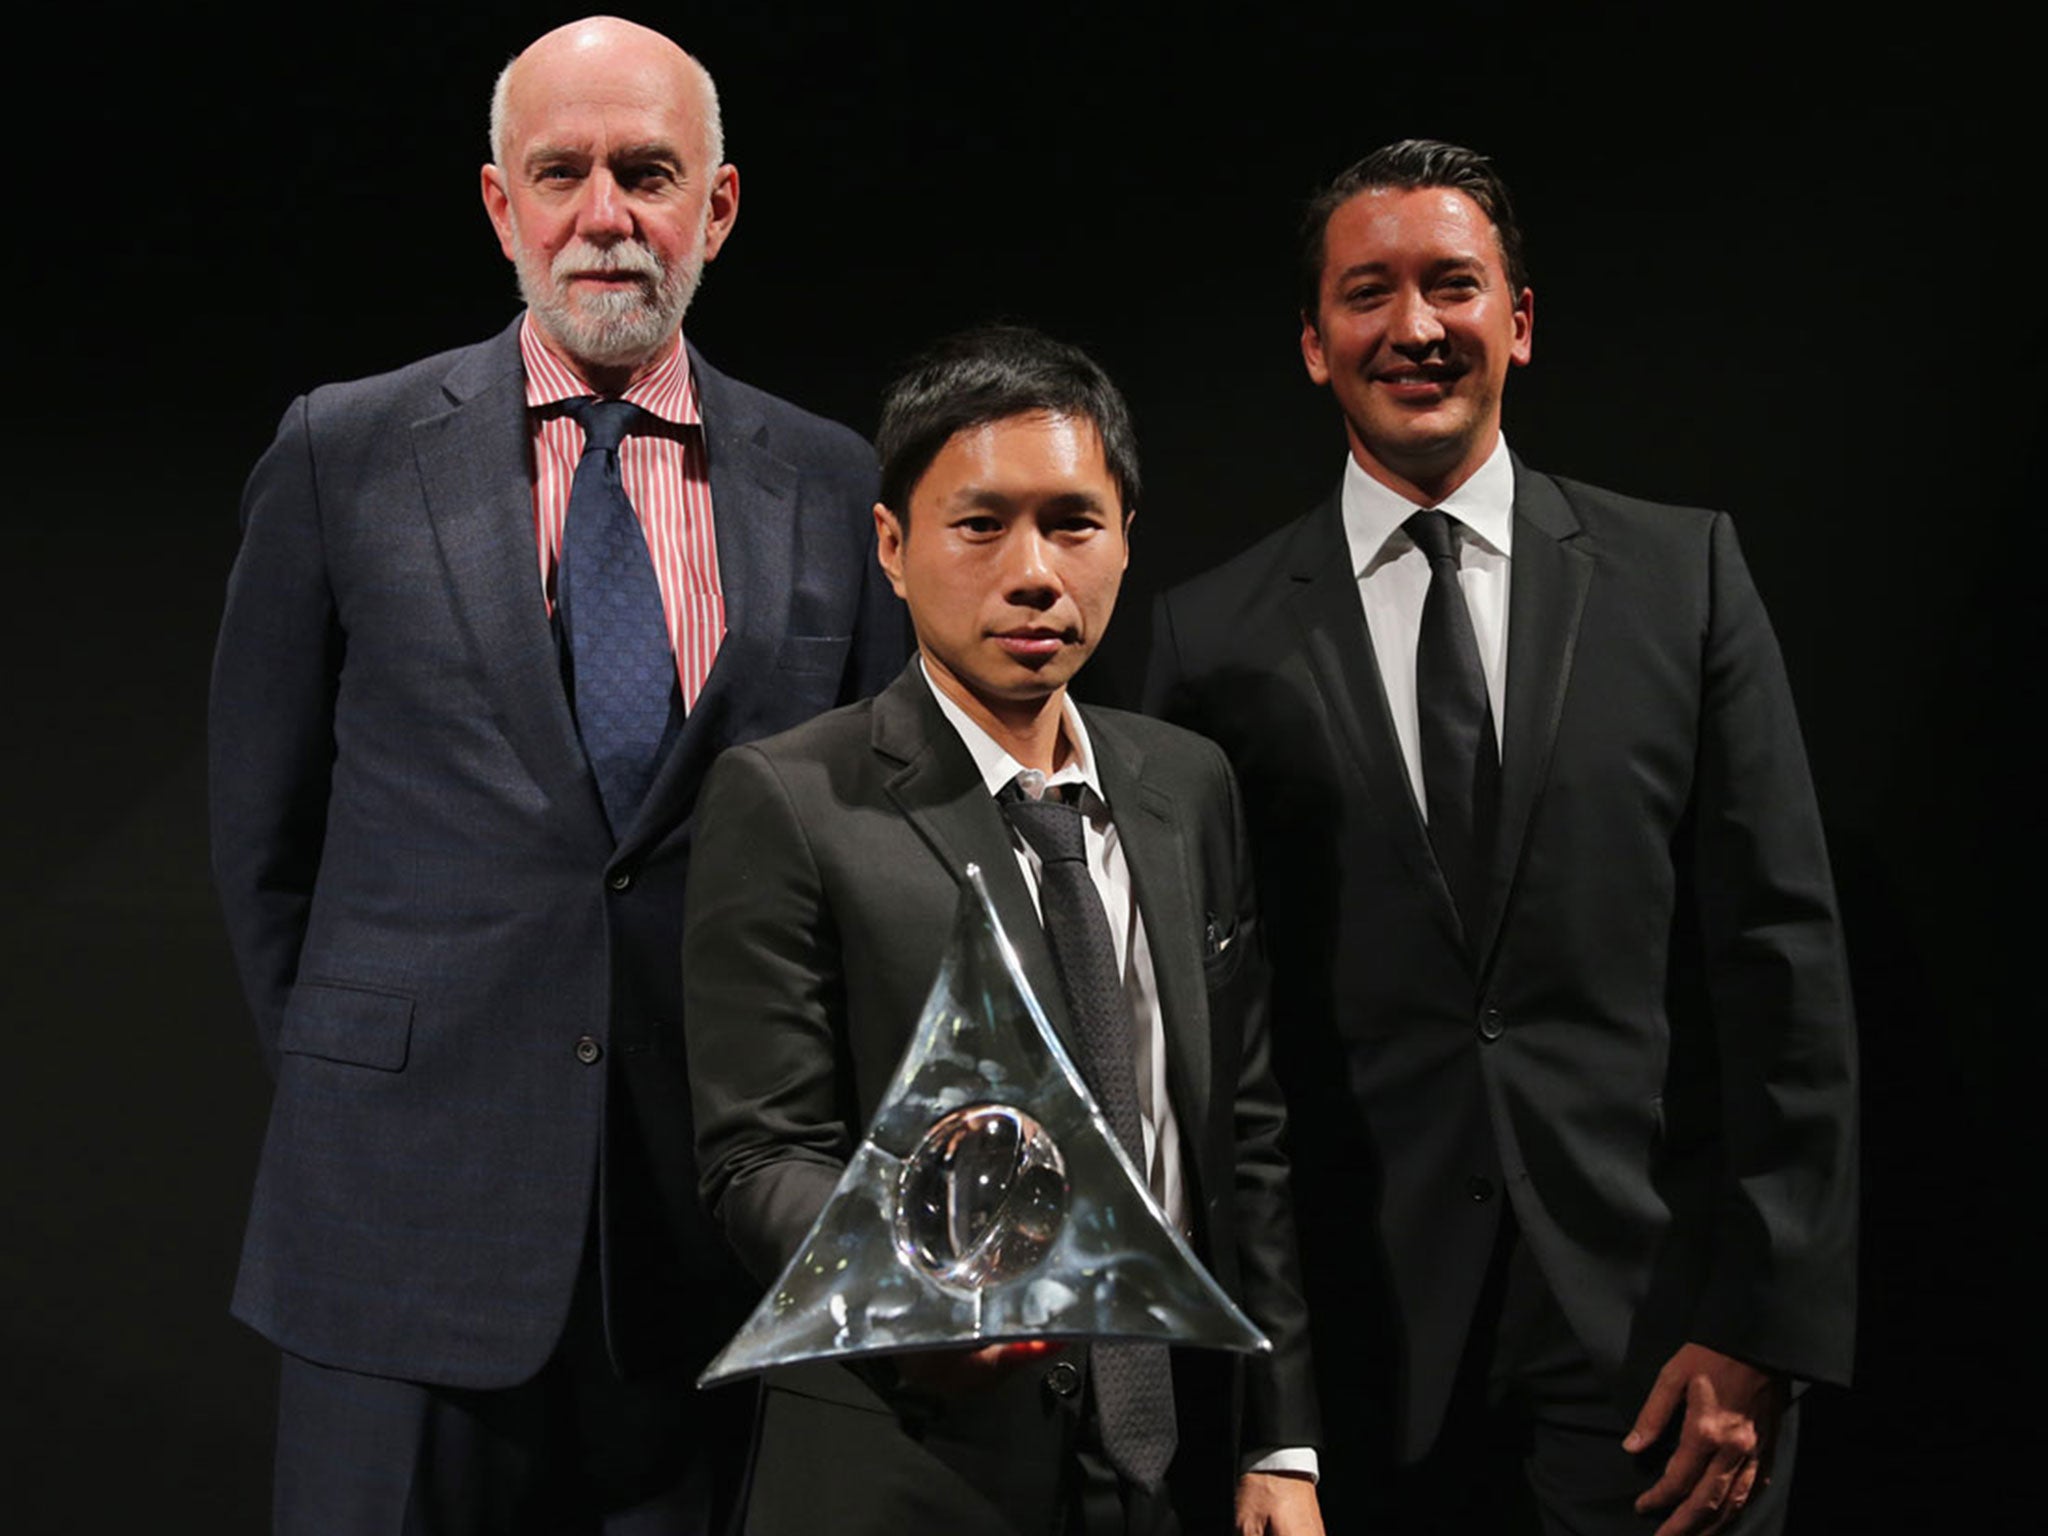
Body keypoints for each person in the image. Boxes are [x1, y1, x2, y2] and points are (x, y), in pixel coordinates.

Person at [208, 16, 903, 1532]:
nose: (606, 213)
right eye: (563, 172)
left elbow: (873, 857)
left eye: (648, 172)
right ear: (499, 204)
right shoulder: (344, 453)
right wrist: (376, 1091)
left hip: (711, 1252)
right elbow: (265, 842)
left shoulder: (836, 483)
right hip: (398, 1232)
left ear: (716, 207)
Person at [1144, 141, 1858, 1535]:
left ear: (1519, 321)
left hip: (1661, 1360)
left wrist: (1762, 1332)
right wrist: (1265, 1410)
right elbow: (1209, 1049)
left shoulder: (1685, 581)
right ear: (1313, 343)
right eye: (1368, 293)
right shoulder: (1208, 642)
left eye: (1453, 285)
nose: (1414, 326)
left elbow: (1783, 975)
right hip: (1356, 1374)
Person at [681, 326, 1325, 1535]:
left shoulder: (1186, 787)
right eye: (980, 525)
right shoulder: (790, 798)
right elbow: (756, 1156)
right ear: (891, 546)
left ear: (1125, 535)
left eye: (1073, 522)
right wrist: (914, 1291)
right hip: (910, 1467)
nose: (1033, 571)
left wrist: (1277, 1437)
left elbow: (1241, 1131)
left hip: (1173, 1461)